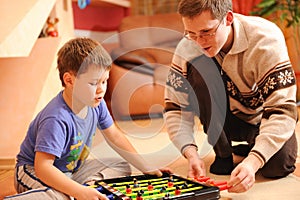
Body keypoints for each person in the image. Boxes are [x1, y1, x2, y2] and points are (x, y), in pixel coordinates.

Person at [164, 0, 298, 193]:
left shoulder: (266, 39)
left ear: (228, 18)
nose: (200, 42)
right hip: (227, 121)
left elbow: (282, 110)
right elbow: (175, 107)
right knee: (199, 68)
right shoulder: (188, 46)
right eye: (191, 33)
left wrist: (253, 162)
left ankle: (249, 149)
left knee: (278, 167)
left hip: (264, 118)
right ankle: (224, 153)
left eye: (206, 32)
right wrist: (191, 154)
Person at [5, 37, 164, 200]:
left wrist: (146, 167)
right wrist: (78, 192)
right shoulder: (56, 118)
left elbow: (115, 136)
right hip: (34, 172)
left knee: (119, 165)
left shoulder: (96, 103)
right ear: (69, 80)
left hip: (71, 171)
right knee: (61, 197)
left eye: (104, 81)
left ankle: (88, 190)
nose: (101, 89)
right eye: (94, 83)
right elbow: (43, 167)